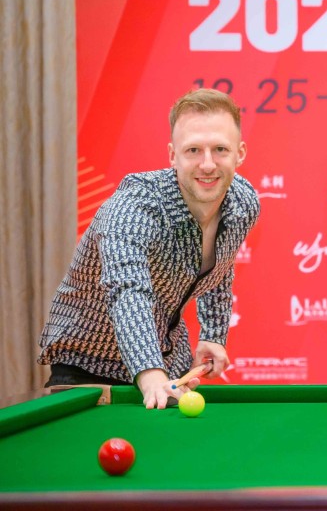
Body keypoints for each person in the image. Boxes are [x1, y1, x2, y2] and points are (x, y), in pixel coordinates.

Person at [38, 88, 260, 408]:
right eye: (193, 150)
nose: (208, 164)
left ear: (240, 153)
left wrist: (213, 333)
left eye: (220, 149)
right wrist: (149, 371)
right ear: (172, 155)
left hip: (169, 364)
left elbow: (222, 265)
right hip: (88, 366)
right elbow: (129, 290)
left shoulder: (243, 202)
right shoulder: (134, 207)